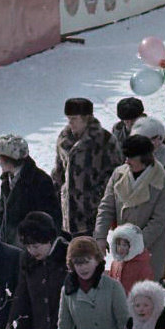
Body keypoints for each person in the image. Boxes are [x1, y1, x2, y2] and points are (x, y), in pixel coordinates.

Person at [93, 133, 165, 281]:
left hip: (147, 254)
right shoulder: (118, 175)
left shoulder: (164, 183)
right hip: (121, 252)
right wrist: (100, 236)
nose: (126, 161)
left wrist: (133, 244)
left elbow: (158, 222)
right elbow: (106, 207)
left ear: (144, 158)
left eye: (131, 158)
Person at [51, 97, 123, 237]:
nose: (70, 122)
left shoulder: (104, 140)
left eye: (74, 118)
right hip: (66, 214)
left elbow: (116, 175)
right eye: (68, 118)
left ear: (87, 118)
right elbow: (59, 170)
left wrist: (96, 198)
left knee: (90, 255)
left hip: (91, 214)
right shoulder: (64, 139)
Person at [0, 134, 61, 246]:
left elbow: (51, 219)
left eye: (0, 159)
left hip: (31, 248)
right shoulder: (7, 180)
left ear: (9, 160)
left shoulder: (40, 181)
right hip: (9, 246)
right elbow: (2, 215)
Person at [105, 222, 154, 296]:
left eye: (124, 245)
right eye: (118, 244)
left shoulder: (142, 266)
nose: (120, 248)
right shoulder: (115, 263)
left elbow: (147, 289)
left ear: (133, 246)